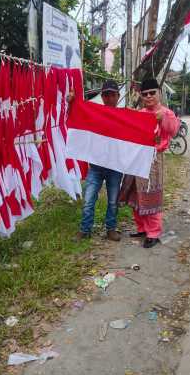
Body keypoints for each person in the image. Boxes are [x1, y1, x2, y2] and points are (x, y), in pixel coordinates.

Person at [119, 78, 179, 249]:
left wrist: (161, 120)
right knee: (135, 195)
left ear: (159, 93)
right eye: (145, 94)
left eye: (152, 93)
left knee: (151, 195)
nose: (149, 96)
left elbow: (174, 131)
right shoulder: (140, 113)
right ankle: (142, 228)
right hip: (136, 159)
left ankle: (153, 232)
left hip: (154, 159)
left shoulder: (167, 113)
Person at [76, 80, 123, 241]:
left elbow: (140, 128)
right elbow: (77, 116)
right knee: (88, 200)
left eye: (112, 94)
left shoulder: (125, 117)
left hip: (115, 167)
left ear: (118, 96)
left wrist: (155, 120)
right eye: (106, 95)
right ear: (102, 97)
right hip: (95, 166)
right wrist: (71, 103)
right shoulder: (94, 113)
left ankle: (110, 229)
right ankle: (85, 230)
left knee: (112, 202)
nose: (109, 98)